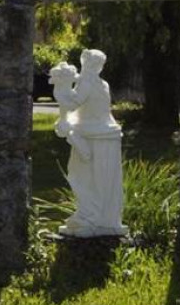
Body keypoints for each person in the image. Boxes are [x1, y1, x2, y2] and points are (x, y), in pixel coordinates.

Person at [49, 49, 127, 237]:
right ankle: (100, 217)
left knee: (80, 175)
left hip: (93, 136)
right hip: (104, 134)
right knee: (98, 177)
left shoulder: (87, 82)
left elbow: (72, 103)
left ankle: (90, 217)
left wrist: (60, 87)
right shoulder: (102, 84)